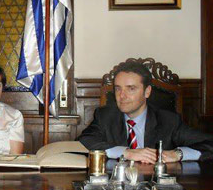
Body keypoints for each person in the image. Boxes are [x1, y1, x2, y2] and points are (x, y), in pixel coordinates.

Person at [77, 61, 213, 164]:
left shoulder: (168, 120)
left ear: (147, 92)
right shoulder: (105, 116)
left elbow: (209, 144)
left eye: (131, 89)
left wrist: (177, 154)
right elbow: (84, 142)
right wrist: (126, 152)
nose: (122, 96)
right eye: (118, 89)